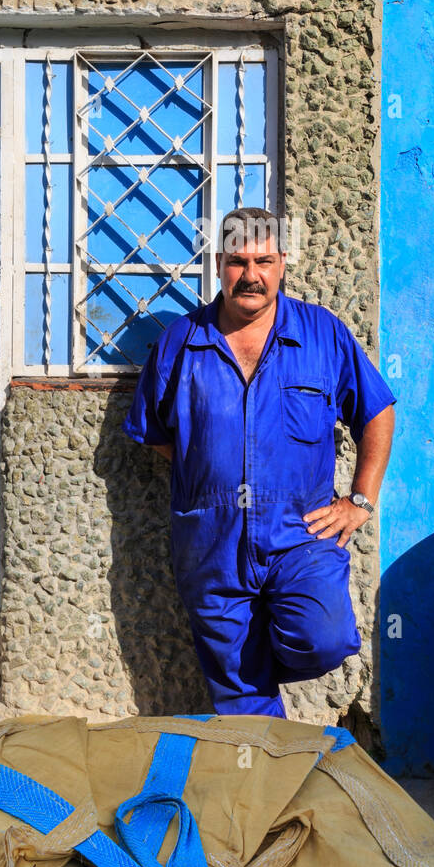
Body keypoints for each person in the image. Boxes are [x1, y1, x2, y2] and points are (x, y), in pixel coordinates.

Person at [122, 206, 396, 717]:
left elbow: (377, 412)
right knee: (241, 695)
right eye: (237, 261)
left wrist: (360, 499)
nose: (251, 275)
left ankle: (257, 665)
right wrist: (210, 471)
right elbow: (156, 434)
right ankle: (267, 785)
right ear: (218, 262)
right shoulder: (180, 344)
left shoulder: (322, 335)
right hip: (211, 542)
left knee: (325, 639)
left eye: (264, 260)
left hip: (300, 534)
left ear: (283, 263)